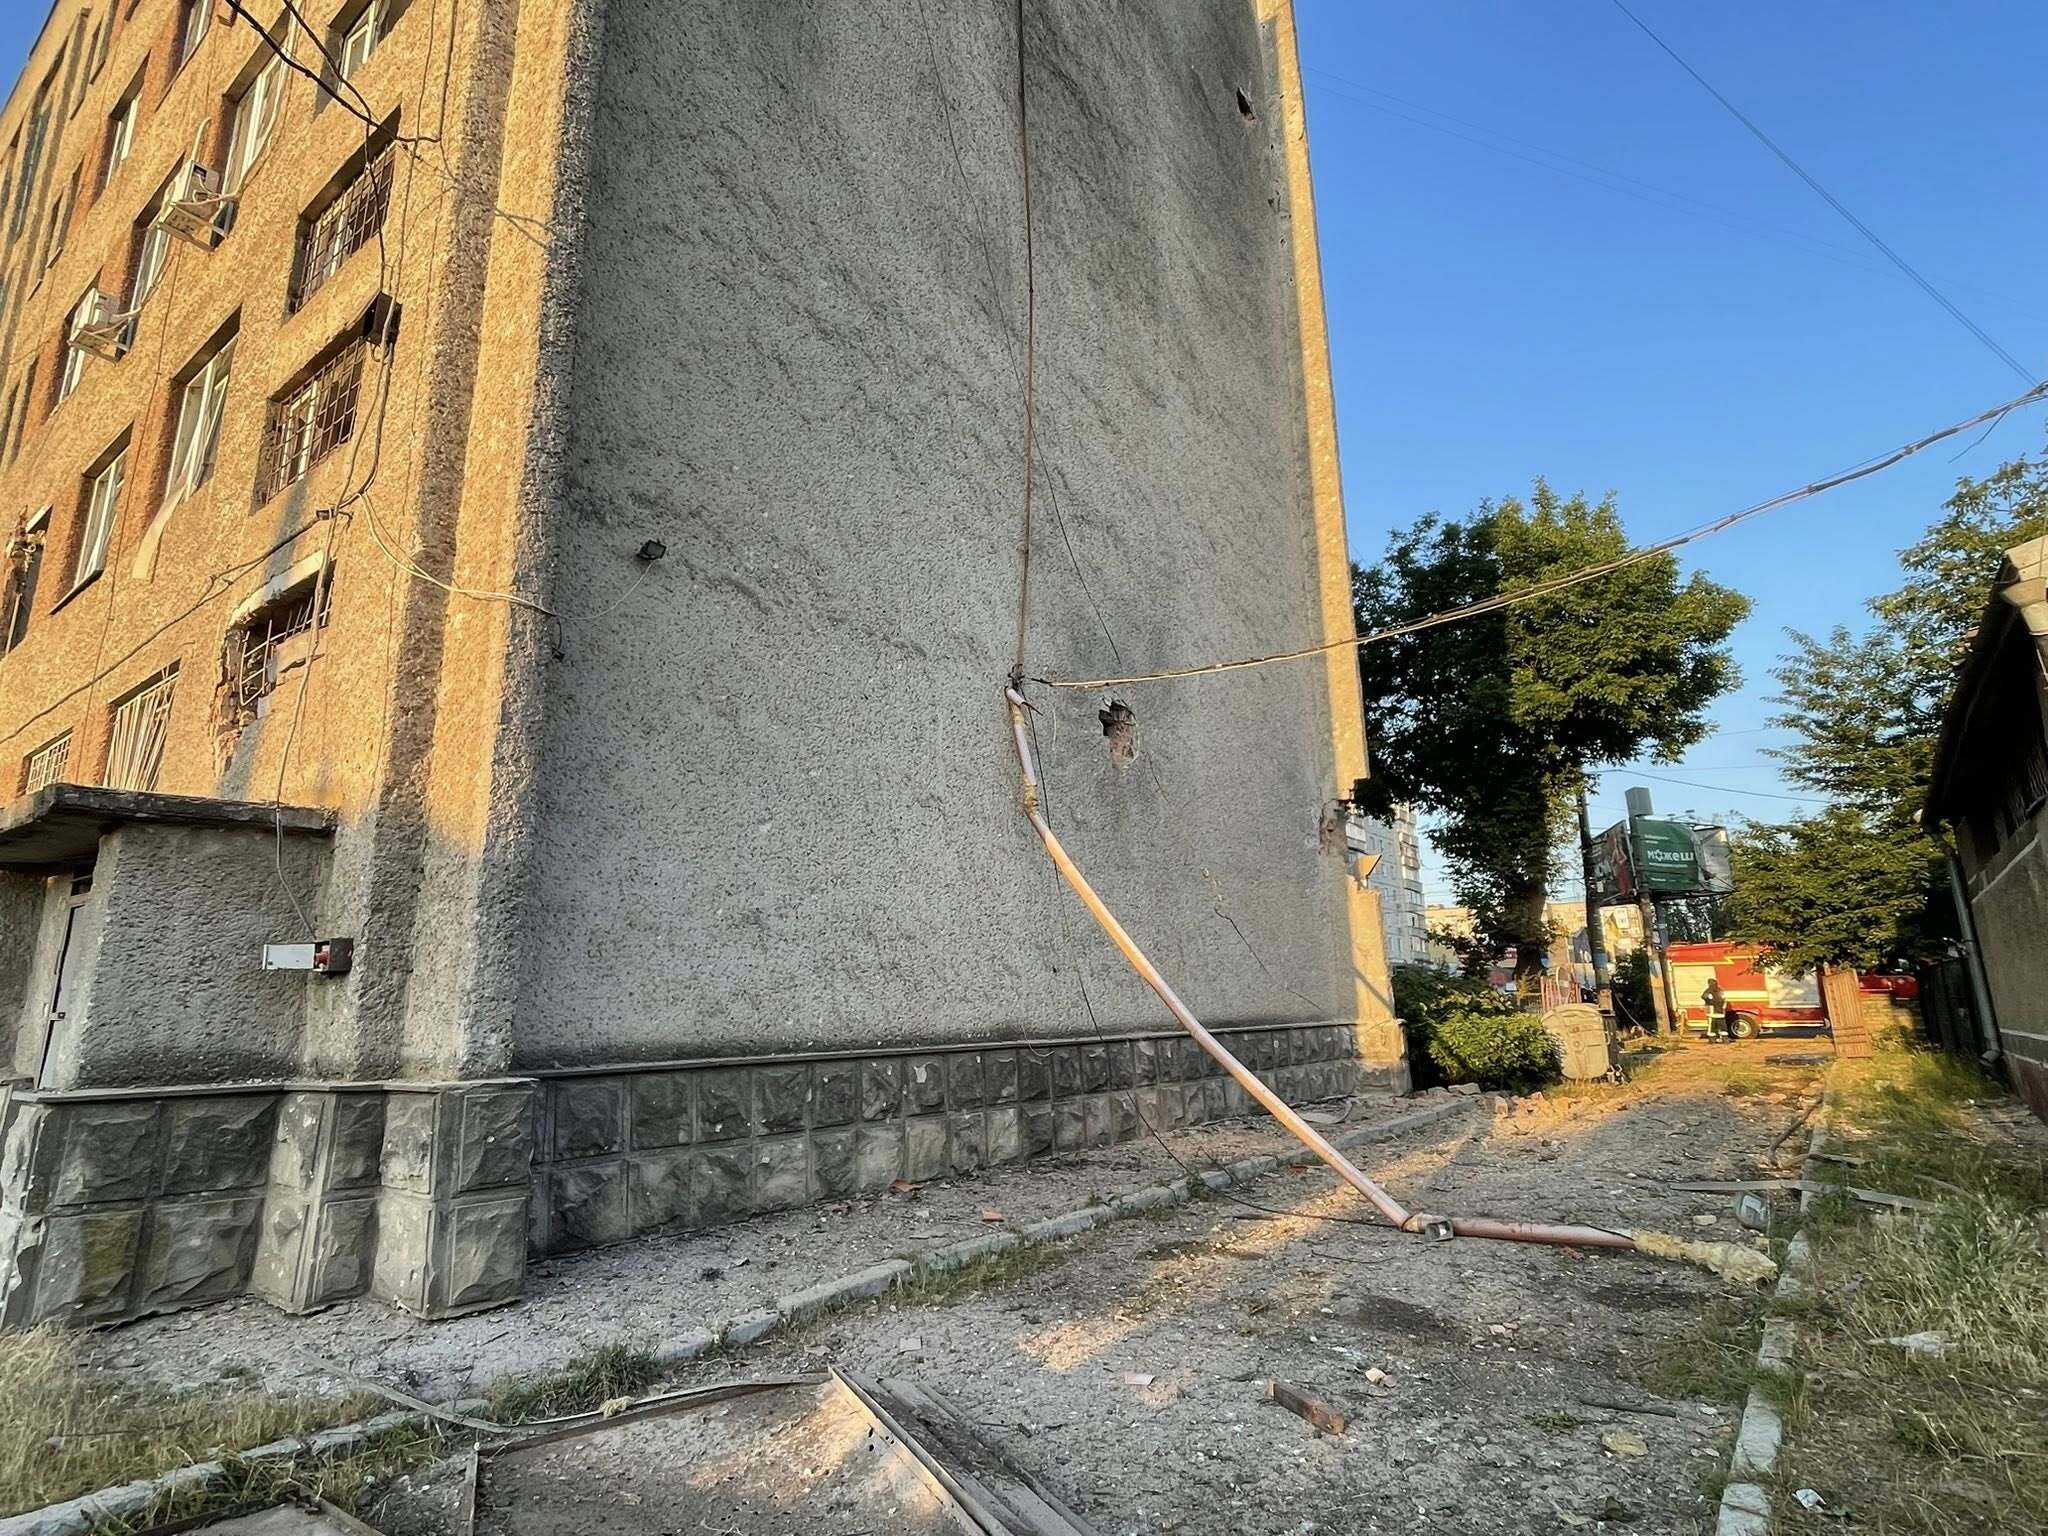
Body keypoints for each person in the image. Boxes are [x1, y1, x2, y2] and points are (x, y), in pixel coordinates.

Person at [1702, 977, 1727, 1042]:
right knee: (1722, 1026)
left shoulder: (1708, 991)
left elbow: (1704, 997)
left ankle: (1712, 1039)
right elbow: (1724, 999)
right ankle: (1724, 1038)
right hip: (1721, 1012)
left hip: (1712, 1012)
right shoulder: (1720, 990)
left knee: (1712, 1026)